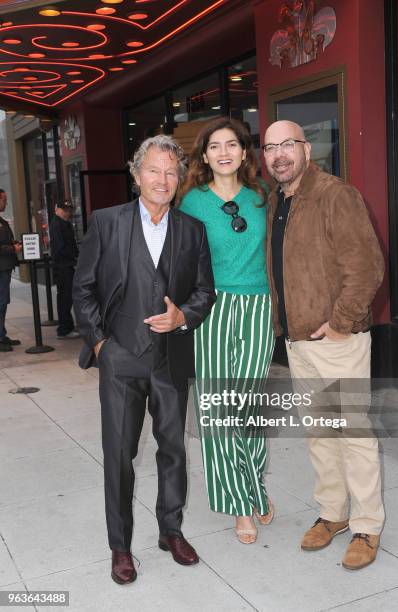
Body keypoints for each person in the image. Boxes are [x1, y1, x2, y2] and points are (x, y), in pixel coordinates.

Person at [73, 135, 215, 585]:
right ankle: (120, 545)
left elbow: (204, 292)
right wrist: (100, 345)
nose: (163, 179)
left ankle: (170, 531)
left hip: (171, 360)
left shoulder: (192, 230)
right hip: (121, 359)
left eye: (172, 172)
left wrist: (183, 316)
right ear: (136, 176)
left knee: (173, 449)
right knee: (119, 454)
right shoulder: (107, 222)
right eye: (154, 170)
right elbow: (83, 289)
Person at [263, 120, 385, 570]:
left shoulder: (336, 195)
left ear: (306, 149)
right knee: (320, 434)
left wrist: (340, 323)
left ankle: (367, 525)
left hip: (338, 340)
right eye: (270, 147)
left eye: (287, 145)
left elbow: (367, 267)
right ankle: (333, 513)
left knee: (353, 433)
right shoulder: (278, 201)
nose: (279, 154)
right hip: (298, 342)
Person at [178, 118, 275, 545]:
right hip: (213, 308)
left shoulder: (262, 197)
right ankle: (239, 503)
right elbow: (177, 260)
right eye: (214, 146)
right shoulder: (191, 203)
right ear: (203, 156)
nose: (223, 152)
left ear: (243, 152)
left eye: (231, 144)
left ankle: (254, 484)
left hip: (257, 306)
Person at [49, 200, 80, 339]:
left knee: (67, 297)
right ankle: (64, 329)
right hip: (63, 266)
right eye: (66, 210)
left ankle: (67, 326)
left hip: (67, 265)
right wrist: (74, 259)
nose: (69, 213)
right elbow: (61, 247)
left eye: (70, 210)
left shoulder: (63, 223)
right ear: (59, 209)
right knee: (65, 298)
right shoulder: (57, 224)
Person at [0, 188, 21, 352]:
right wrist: (12, 248)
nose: (6, 203)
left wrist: (14, 243)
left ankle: (2, 334)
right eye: (4, 200)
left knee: (3, 302)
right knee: (0, 303)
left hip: (5, 267)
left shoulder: (2, 221)